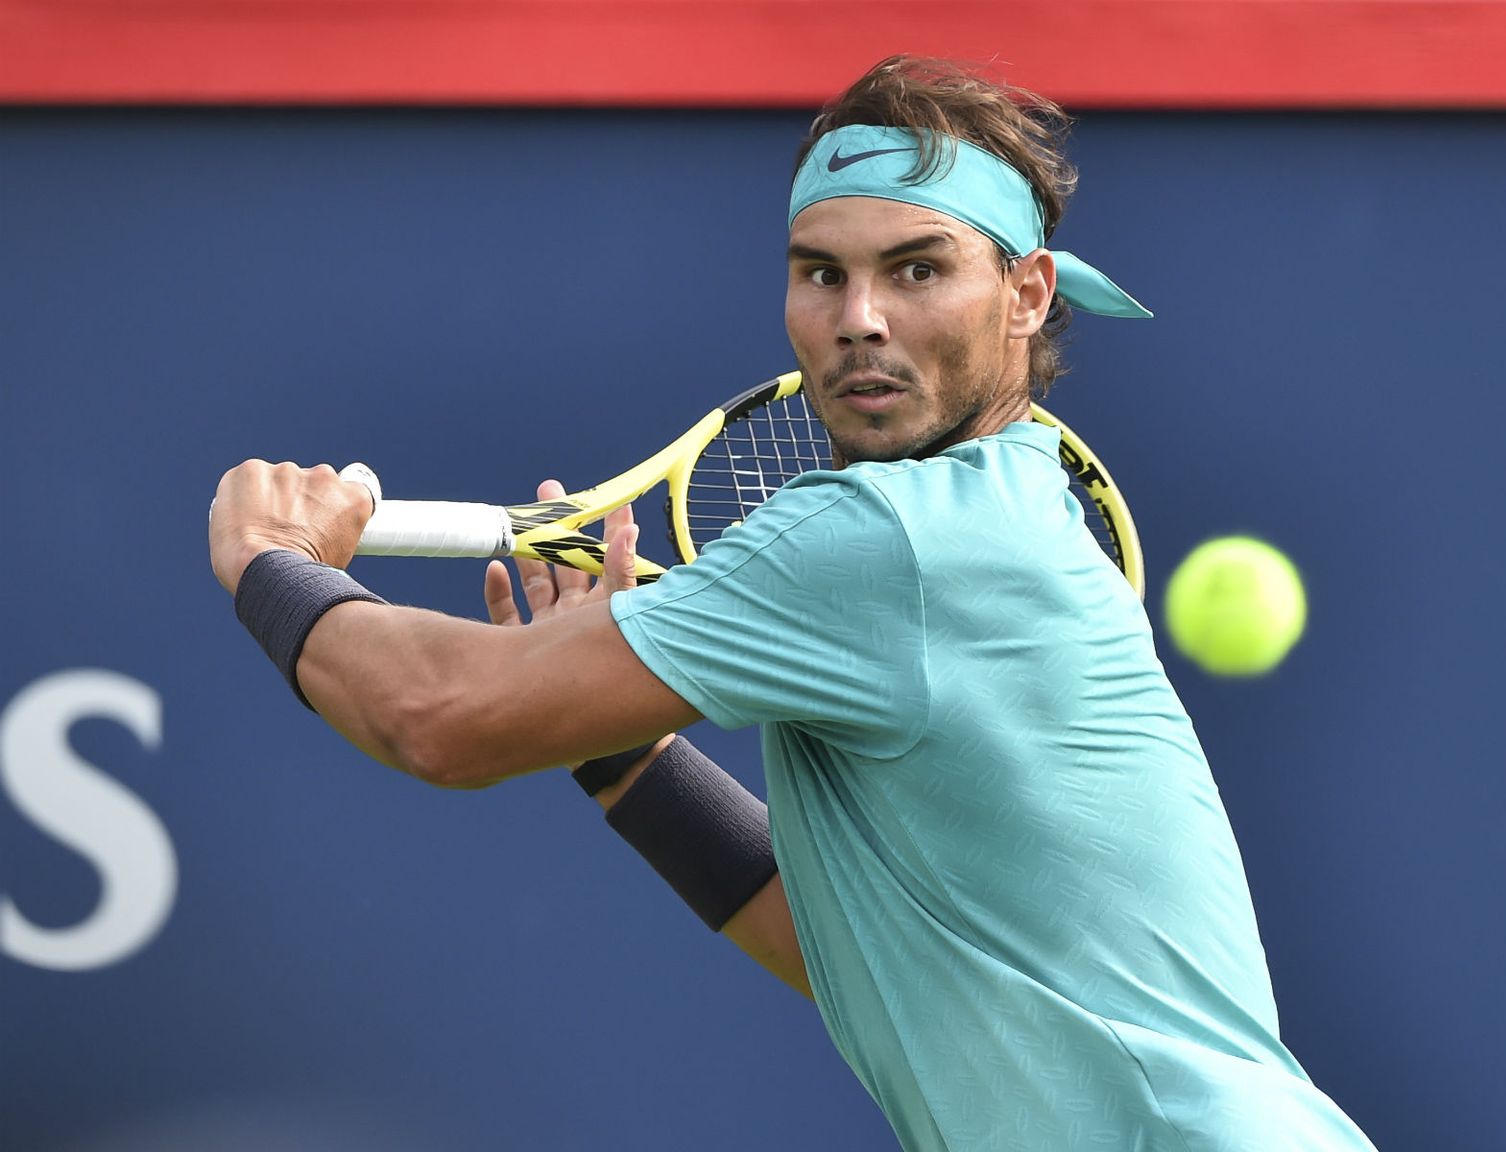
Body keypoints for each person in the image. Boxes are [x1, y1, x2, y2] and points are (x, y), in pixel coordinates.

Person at [209, 56, 1377, 1152]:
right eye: (823, 273)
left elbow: (437, 717)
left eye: (916, 270)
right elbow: (866, 956)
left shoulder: (891, 537)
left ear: (1024, 295)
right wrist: (619, 757)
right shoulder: (991, 515)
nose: (859, 315)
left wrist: (275, 562)